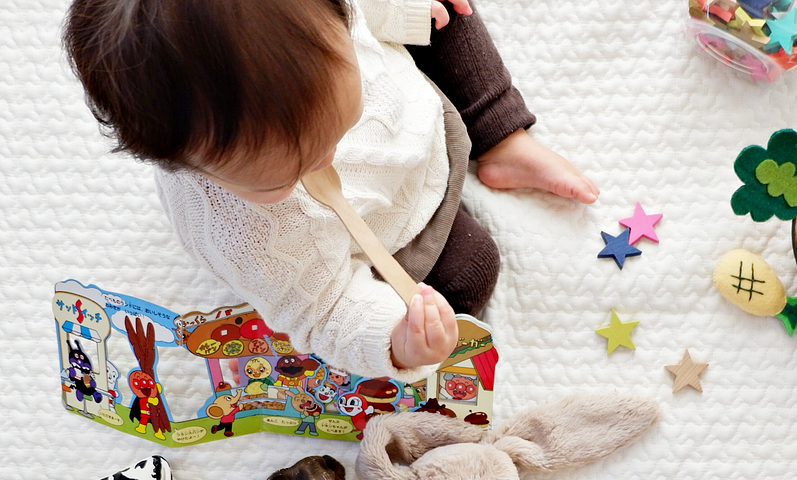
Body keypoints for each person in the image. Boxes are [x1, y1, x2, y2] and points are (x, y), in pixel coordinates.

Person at [62, 0, 589, 381]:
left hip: (422, 117)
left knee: (448, 15)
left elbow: (366, 11)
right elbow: (327, 310)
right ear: (188, 168)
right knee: (471, 270)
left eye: (338, 127)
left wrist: (401, 12)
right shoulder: (250, 236)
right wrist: (398, 342)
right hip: (393, 235)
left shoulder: (316, 14)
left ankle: (499, 136)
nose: (327, 160)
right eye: (287, 173)